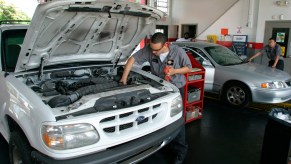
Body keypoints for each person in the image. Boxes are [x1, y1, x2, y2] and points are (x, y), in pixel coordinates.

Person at [120, 32, 191, 164]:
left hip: (175, 89)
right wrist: (124, 78)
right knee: (159, 118)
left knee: (177, 120)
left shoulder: (178, 52)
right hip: (159, 89)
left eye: (156, 50)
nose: (153, 52)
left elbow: (188, 68)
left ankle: (180, 151)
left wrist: (174, 71)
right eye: (151, 49)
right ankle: (163, 144)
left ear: (165, 44)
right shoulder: (149, 49)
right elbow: (132, 59)